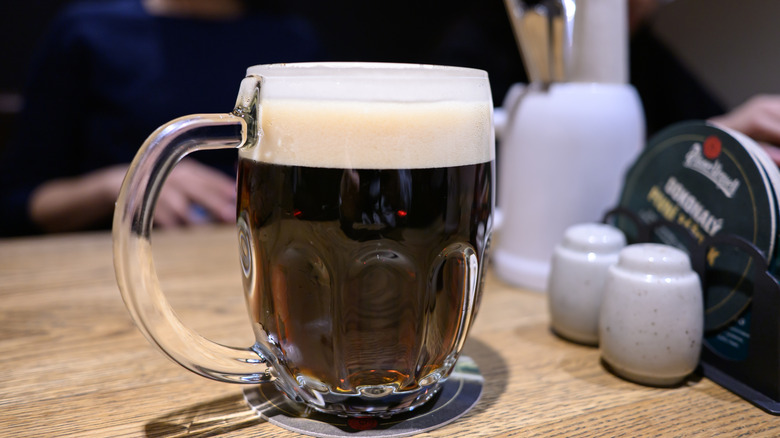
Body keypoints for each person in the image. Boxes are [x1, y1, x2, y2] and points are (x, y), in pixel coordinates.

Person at [0, 0, 324, 236]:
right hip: (112, 268)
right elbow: (16, 205)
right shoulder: (87, 31)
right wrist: (121, 184)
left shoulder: (292, 40)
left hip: (249, 263)